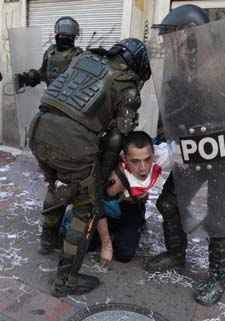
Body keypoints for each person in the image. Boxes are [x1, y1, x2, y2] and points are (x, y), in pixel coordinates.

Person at [28, 38, 151, 297]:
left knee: (60, 184)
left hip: (38, 129)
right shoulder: (128, 87)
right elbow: (117, 138)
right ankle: (66, 280)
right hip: (73, 142)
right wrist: (102, 175)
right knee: (88, 209)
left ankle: (47, 239)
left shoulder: (84, 58)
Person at [145, 5, 225, 306]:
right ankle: (176, 253)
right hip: (192, 153)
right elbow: (172, 111)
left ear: (192, 35)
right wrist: (168, 142)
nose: (169, 43)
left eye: (174, 36)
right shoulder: (179, 69)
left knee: (220, 219)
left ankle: (217, 277)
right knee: (168, 202)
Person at [87, 131, 171, 263]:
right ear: (124, 159)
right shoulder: (115, 179)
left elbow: (182, 150)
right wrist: (106, 244)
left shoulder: (161, 158)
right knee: (87, 245)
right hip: (103, 209)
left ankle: (134, 223)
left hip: (132, 207)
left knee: (124, 255)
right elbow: (96, 206)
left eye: (147, 159)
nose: (143, 168)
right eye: (135, 161)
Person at [15, 16, 82, 90]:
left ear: (73, 37)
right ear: (57, 35)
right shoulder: (51, 51)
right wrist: (29, 77)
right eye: (62, 35)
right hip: (50, 95)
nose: (64, 38)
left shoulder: (78, 54)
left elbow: (84, 79)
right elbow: (43, 72)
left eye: (68, 36)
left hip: (69, 96)